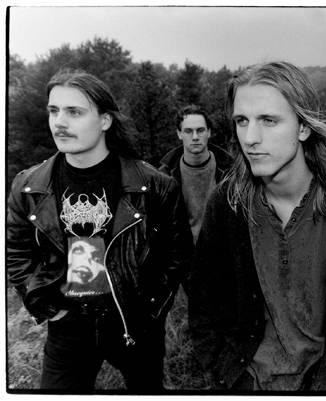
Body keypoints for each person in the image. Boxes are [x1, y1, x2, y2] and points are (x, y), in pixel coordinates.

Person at [188, 61, 326, 393]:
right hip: (252, 383)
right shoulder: (227, 204)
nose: (250, 138)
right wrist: (229, 374)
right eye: (242, 121)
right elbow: (204, 304)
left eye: (268, 120)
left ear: (303, 128)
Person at [6, 69, 193, 393]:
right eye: (54, 111)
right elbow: (17, 253)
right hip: (67, 326)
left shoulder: (154, 186)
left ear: (105, 120)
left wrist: (150, 309)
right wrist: (50, 308)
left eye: (74, 112)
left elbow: (177, 255)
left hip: (133, 321)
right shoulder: (28, 187)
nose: (59, 122)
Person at [158, 105, 232, 244]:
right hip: (182, 252)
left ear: (209, 132)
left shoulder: (230, 171)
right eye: (188, 131)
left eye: (200, 130)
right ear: (179, 134)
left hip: (221, 250)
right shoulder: (164, 177)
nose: (195, 137)